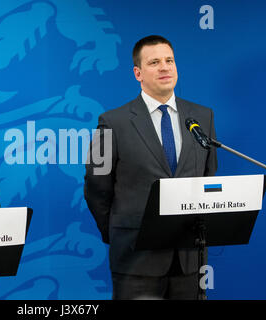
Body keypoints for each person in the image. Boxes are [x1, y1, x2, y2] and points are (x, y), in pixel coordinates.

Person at [84, 35, 217, 299]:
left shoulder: (202, 116)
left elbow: (208, 174)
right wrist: (119, 231)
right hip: (135, 257)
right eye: (154, 62)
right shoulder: (111, 122)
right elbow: (96, 188)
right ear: (138, 73)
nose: (165, 67)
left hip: (189, 259)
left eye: (169, 60)